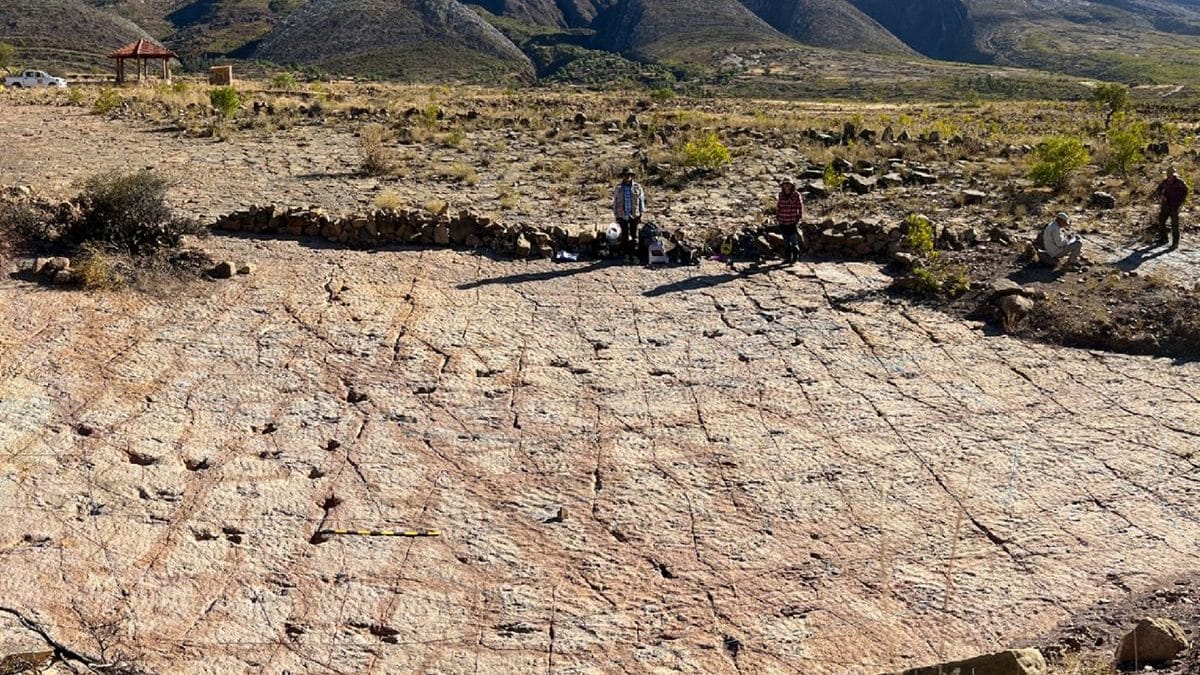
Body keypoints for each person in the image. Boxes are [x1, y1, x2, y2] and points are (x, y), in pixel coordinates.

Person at [612, 167, 645, 259]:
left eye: (629, 175)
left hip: (634, 214)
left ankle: (634, 252)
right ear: (623, 176)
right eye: (625, 175)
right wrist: (616, 214)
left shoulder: (637, 187)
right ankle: (625, 253)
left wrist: (641, 213)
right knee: (624, 234)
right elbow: (615, 201)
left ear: (631, 176)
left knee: (634, 234)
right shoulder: (618, 188)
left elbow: (641, 200)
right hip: (622, 214)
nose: (627, 177)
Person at [1153, 166, 1188, 248]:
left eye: (1171, 174)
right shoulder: (1165, 182)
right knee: (1161, 221)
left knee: (1174, 224)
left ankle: (1175, 243)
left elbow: (1185, 191)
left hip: (1175, 206)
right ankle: (1164, 238)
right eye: (1169, 175)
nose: (1170, 176)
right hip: (1165, 205)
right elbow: (1158, 189)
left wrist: (1180, 201)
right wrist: (1161, 196)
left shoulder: (1180, 182)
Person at [775, 178, 805, 263]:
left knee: (793, 241)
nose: (786, 186)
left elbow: (800, 206)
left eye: (788, 184)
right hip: (783, 221)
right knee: (786, 242)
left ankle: (795, 257)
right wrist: (777, 216)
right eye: (785, 184)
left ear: (792, 185)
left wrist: (798, 217)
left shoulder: (796, 195)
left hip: (792, 221)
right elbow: (778, 206)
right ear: (783, 186)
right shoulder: (781, 194)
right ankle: (787, 258)